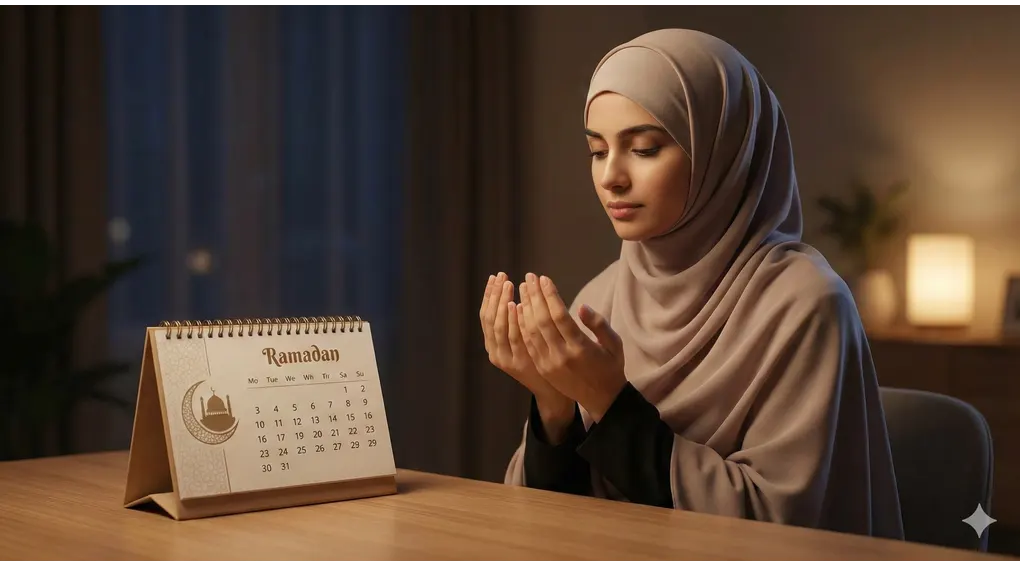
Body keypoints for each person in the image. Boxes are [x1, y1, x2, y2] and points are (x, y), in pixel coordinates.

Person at [478, 28, 905, 540]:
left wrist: (612, 404)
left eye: (643, 148)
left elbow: (777, 527)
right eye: (597, 151)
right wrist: (555, 407)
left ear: (722, 154)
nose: (611, 176)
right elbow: (545, 525)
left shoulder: (805, 303)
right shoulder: (603, 297)